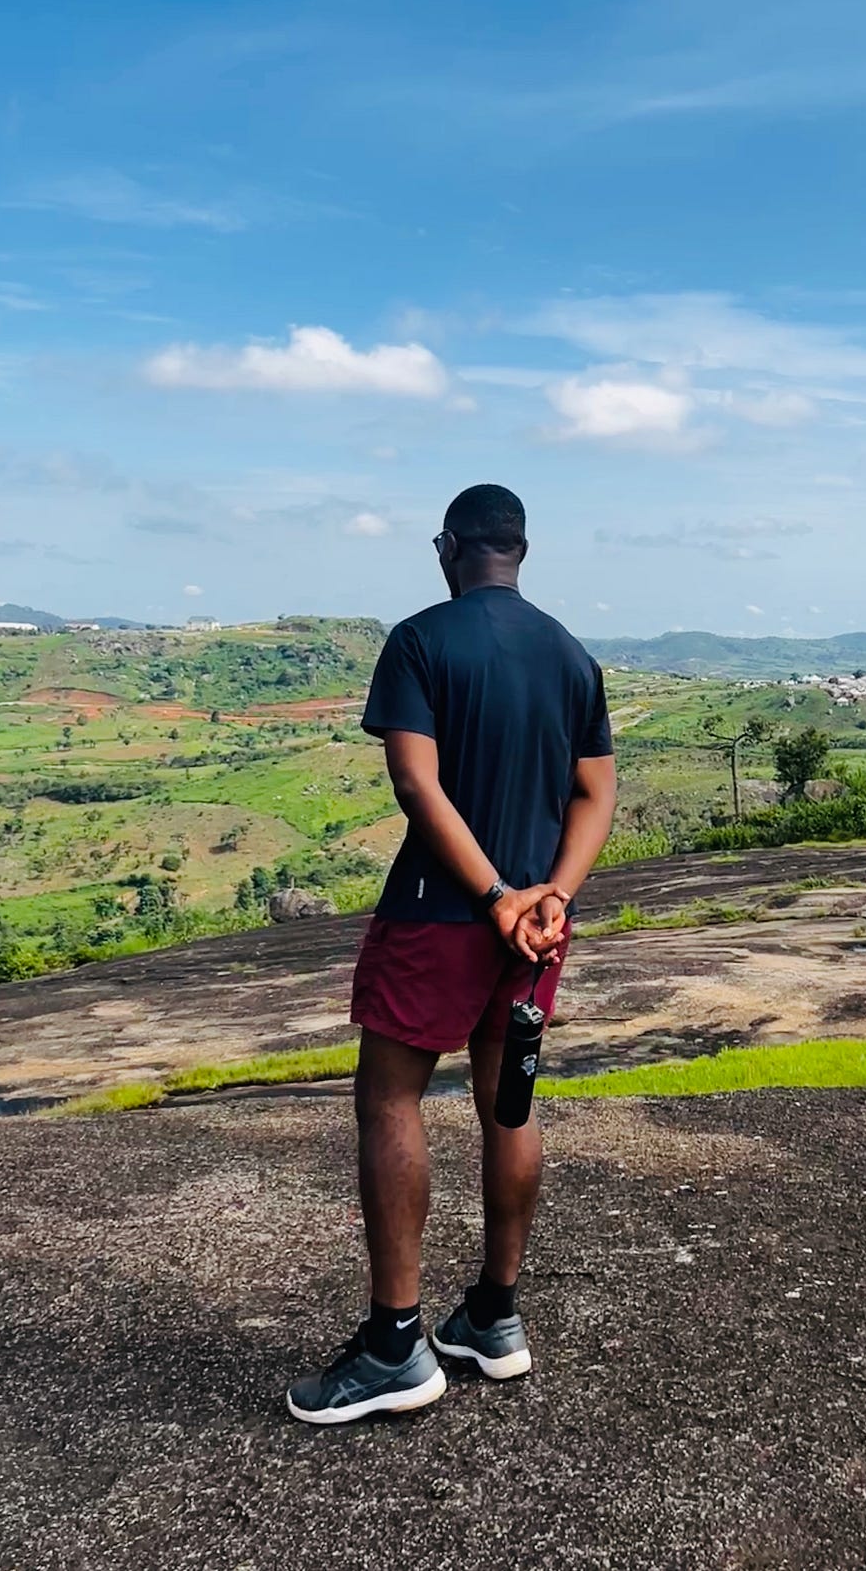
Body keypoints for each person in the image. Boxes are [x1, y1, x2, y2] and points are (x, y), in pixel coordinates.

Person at [287, 484, 617, 1425]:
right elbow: (597, 792)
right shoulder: (572, 654)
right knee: (508, 1099)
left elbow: (415, 782)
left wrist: (494, 895)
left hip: (441, 911)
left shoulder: (420, 640)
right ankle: (494, 1317)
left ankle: (395, 1345)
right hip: (535, 928)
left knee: (391, 1097)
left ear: (448, 548)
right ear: (522, 551)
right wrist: (550, 895)